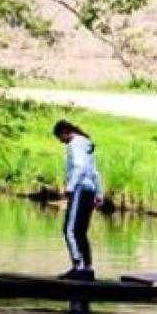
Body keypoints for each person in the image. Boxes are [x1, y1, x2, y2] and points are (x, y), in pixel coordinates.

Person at [52, 119, 104, 280]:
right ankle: (88, 268)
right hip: (90, 190)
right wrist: (99, 193)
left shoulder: (74, 144)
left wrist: (69, 187)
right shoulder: (86, 145)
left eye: (59, 138)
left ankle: (78, 267)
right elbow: (94, 172)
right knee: (81, 231)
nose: (61, 142)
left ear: (64, 133)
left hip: (80, 189)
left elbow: (79, 167)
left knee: (70, 230)